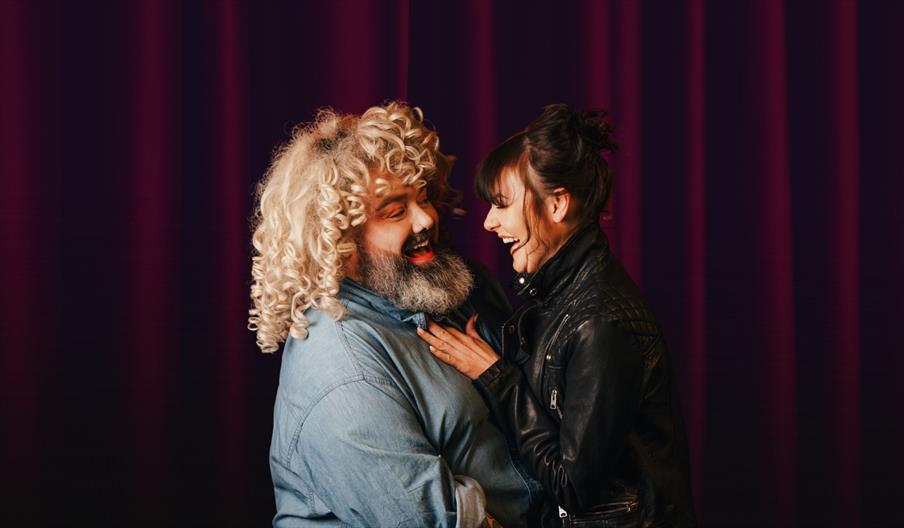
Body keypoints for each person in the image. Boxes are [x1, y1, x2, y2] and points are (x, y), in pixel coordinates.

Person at [247, 102, 543, 527]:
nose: (427, 218)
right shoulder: (343, 369)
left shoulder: (454, 286)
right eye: (394, 211)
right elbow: (433, 521)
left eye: (423, 197)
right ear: (339, 243)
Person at [418, 104, 696, 527]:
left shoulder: (600, 321)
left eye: (502, 204)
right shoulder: (559, 295)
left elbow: (573, 486)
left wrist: (495, 374)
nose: (490, 222)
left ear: (558, 205)